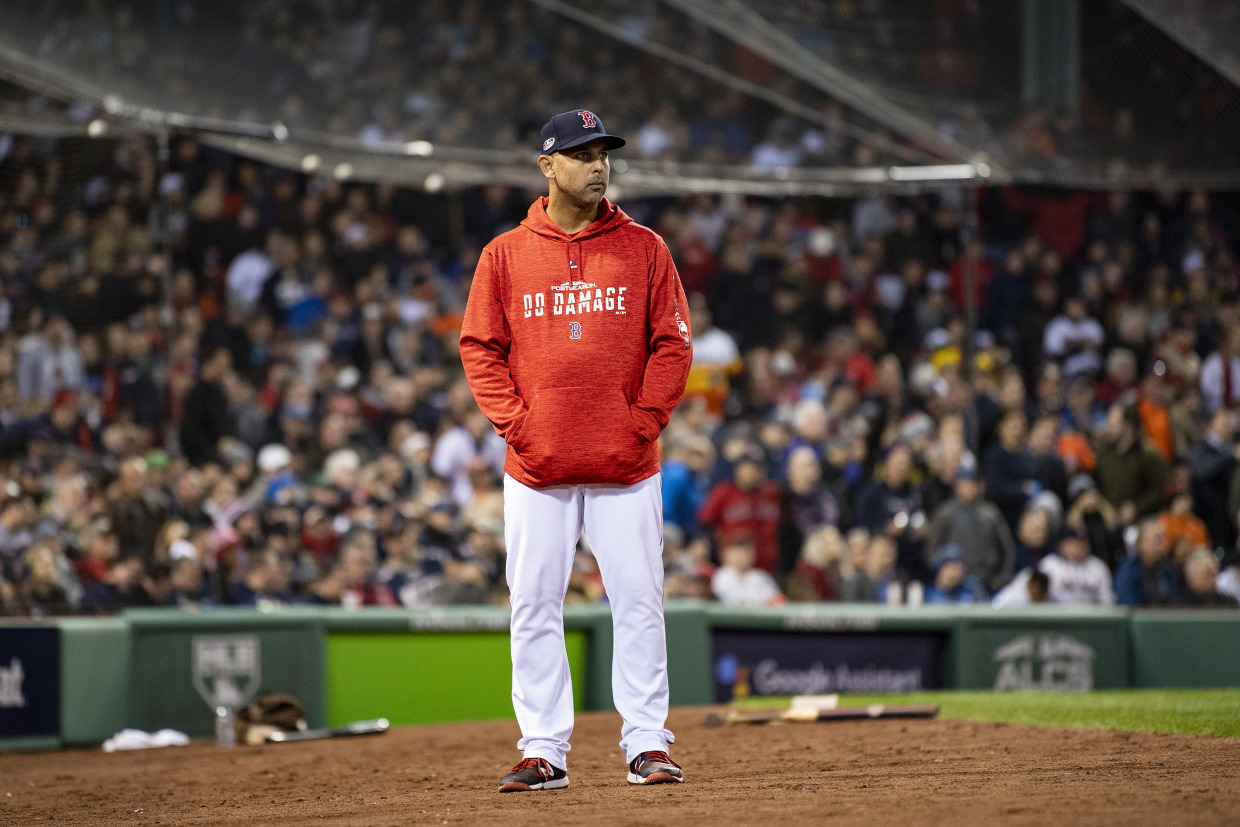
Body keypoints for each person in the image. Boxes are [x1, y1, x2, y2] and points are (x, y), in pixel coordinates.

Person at [460, 110, 690, 793]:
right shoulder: (504, 254)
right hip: (537, 466)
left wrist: (641, 421)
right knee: (532, 603)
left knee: (639, 601)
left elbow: (673, 345)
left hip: (625, 463)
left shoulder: (646, 247)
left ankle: (647, 742)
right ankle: (543, 748)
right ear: (547, 166)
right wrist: (520, 426)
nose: (598, 164)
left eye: (604, 152)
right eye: (582, 153)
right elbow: (480, 348)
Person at [1038, 524, 1115, 605]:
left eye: (1083, 542)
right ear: (1062, 544)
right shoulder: (1049, 565)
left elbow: (1107, 600)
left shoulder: (1098, 566)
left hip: (1090, 616)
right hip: (1055, 615)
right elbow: (1040, 598)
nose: (1080, 546)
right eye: (1074, 542)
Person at [1114, 517, 1179, 606]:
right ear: (1140, 542)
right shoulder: (1128, 571)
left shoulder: (1169, 569)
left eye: (1164, 538)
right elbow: (1129, 609)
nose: (1163, 544)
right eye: (1157, 538)